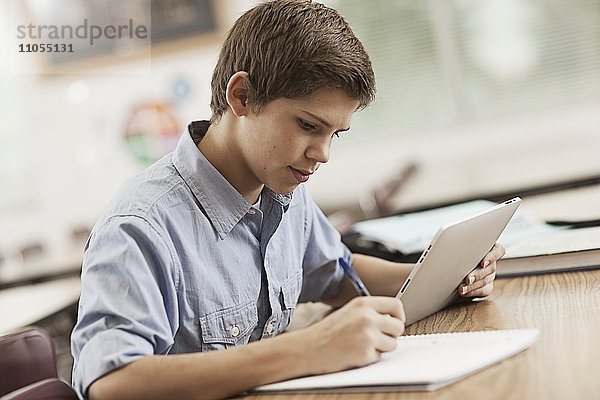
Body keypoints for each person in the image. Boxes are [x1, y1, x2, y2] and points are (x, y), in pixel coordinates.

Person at [70, 1, 505, 399]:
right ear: (241, 96)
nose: (323, 154)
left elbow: (338, 278)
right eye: (308, 125)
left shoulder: (282, 191)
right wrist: (306, 351)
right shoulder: (140, 227)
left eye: (335, 134)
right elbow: (112, 385)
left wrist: (449, 276)